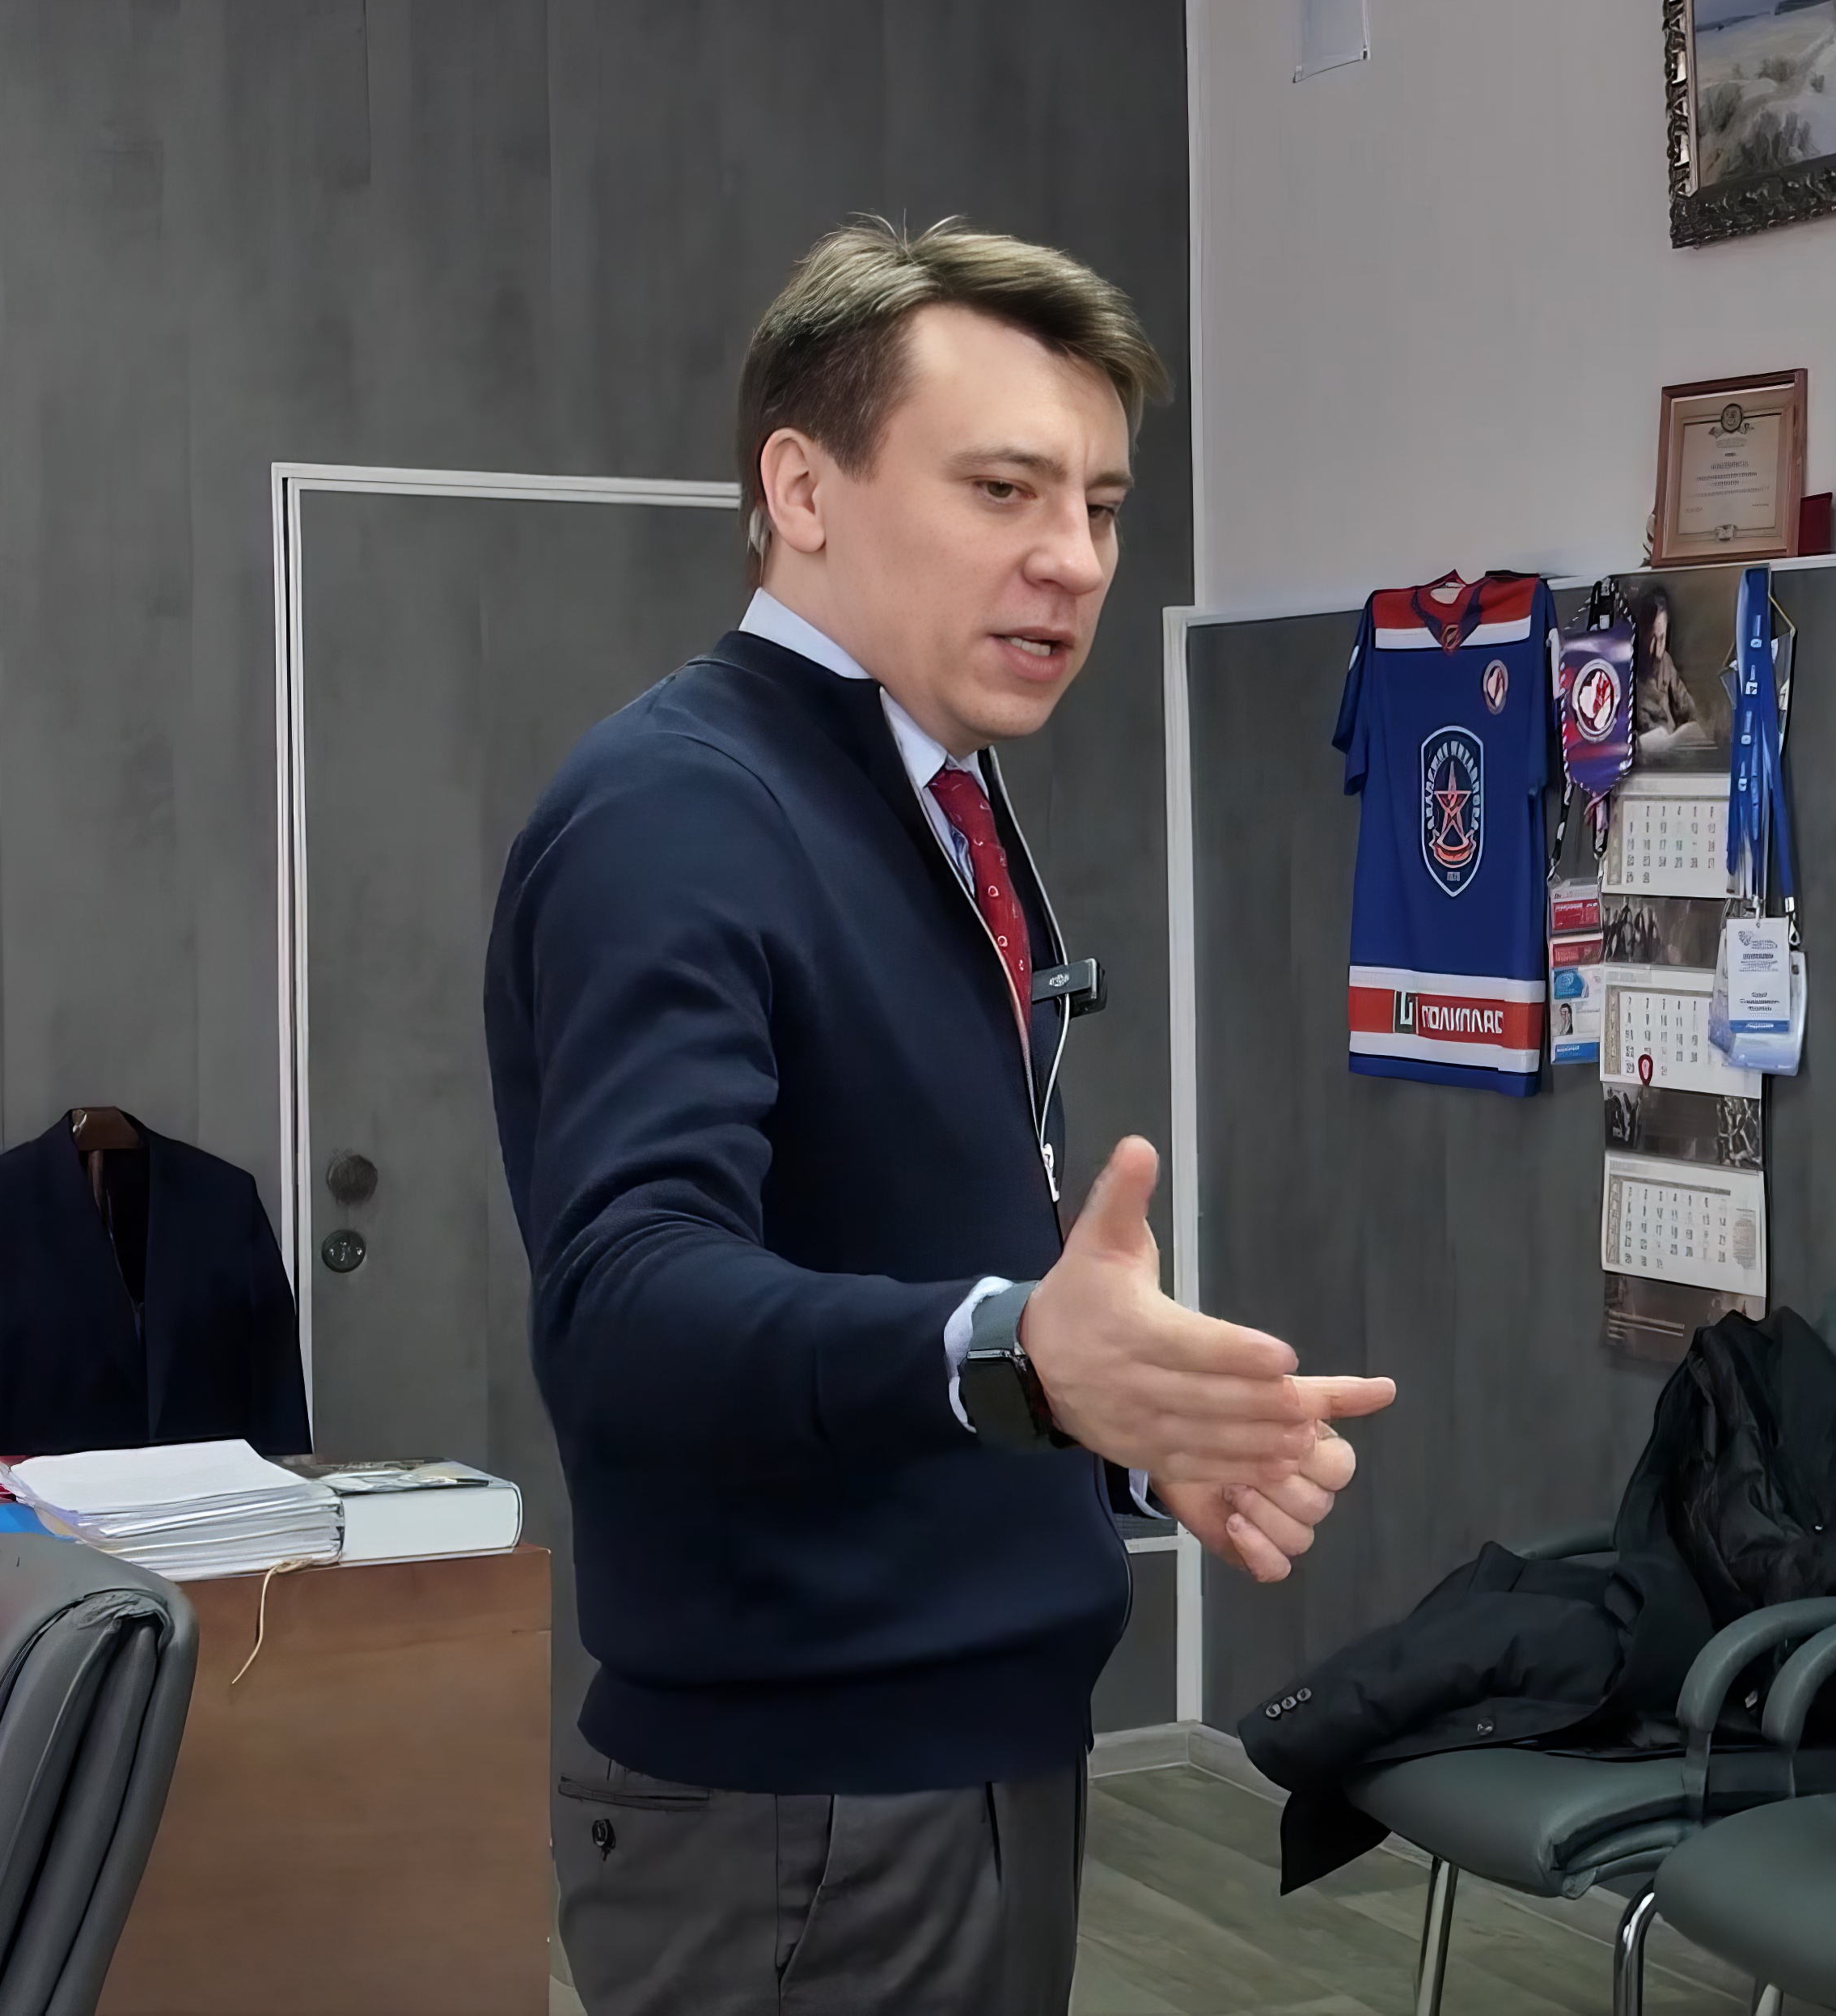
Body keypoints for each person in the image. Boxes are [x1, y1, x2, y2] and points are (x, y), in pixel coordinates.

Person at [487, 218, 1396, 2015]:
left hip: (970, 1751)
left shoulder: (928, 795)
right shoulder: (682, 811)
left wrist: (1115, 1416)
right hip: (803, 1803)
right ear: (801, 490)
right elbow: (625, 1300)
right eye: (1001, 489)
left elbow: (908, 1248)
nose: (1075, 559)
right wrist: (1017, 1354)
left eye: (1104, 506)